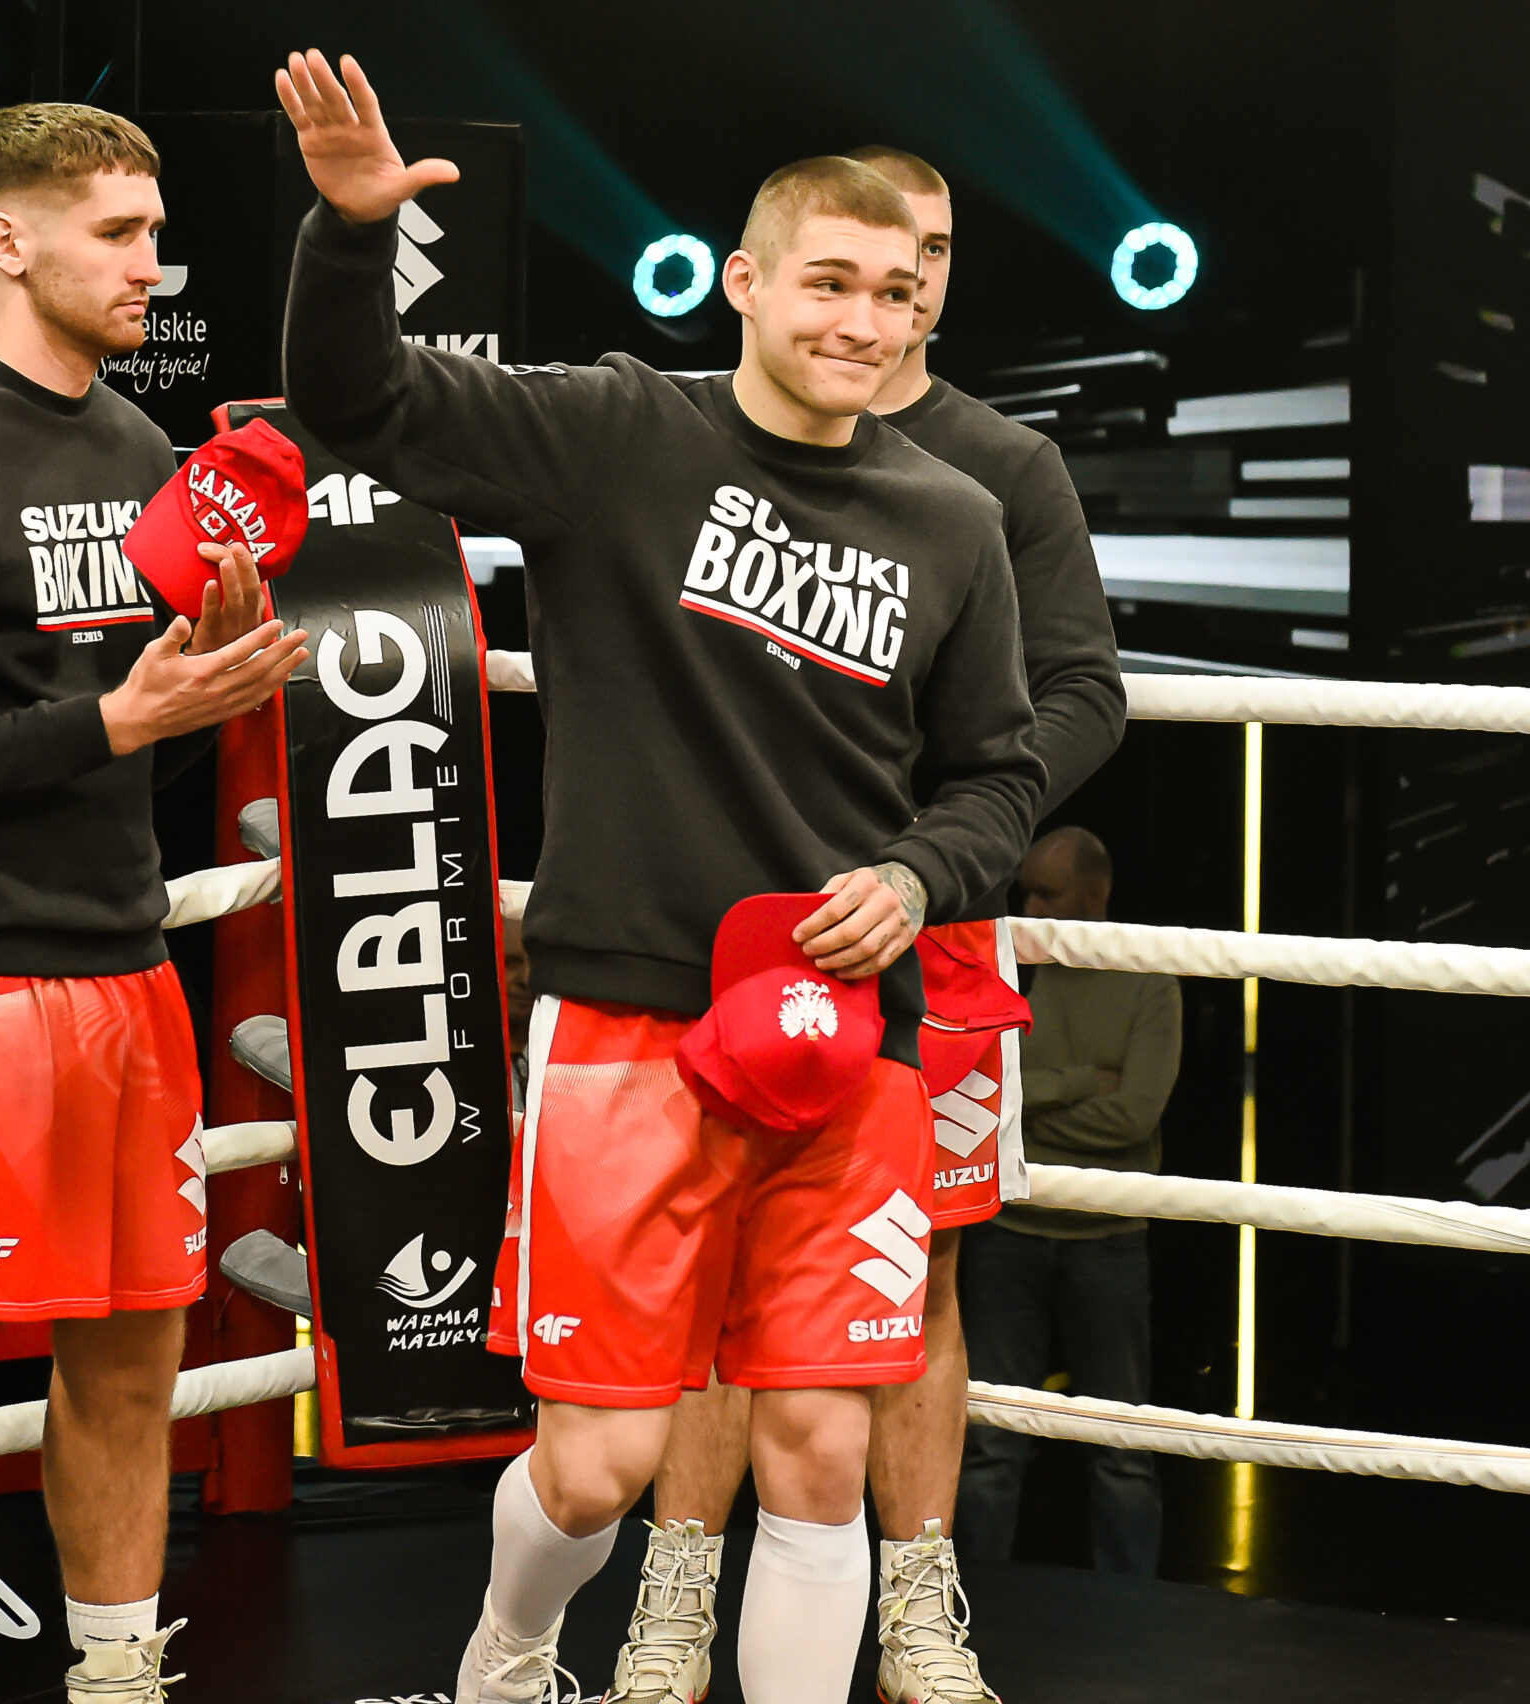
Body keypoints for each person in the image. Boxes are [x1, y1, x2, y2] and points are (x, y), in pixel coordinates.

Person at [277, 51, 1045, 1704]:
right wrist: (349, 235)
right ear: (745, 282)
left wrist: (923, 873)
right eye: (828, 280)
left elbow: (1002, 766)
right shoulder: (620, 431)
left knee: (821, 1448)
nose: (864, 317)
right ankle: (511, 1647)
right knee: (599, 1468)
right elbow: (358, 404)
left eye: (895, 290)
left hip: (850, 1039)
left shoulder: (956, 519)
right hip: (631, 1031)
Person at [0, 104, 307, 1704]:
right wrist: (120, 717)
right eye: (119, 232)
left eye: (156, 231)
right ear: (7, 240)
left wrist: (208, 675)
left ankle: (114, 1679)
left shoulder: (139, 452)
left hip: (124, 968)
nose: (154, 263)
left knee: (138, 1350)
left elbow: (132, 728)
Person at [617, 145, 1123, 1704]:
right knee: (705, 1268)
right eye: (866, 260)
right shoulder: (693, 436)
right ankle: (673, 1603)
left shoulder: (997, 469)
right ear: (781, 273)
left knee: (924, 1274)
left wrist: (936, 847)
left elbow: (1081, 693)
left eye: (932, 256)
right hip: (725, 925)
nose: (906, 285)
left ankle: (918, 1608)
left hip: (930, 931)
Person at [956, 827, 1177, 1571]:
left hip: (1106, 1240)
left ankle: (1132, 1612)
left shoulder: (1148, 976)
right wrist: (1080, 1082)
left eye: (1048, 894)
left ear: (1095, 894)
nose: (1030, 907)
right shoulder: (1009, 963)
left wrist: (1027, 1109)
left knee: (1122, 1450)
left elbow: (1134, 1115)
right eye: (1026, 891)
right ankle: (973, 1608)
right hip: (1009, 1231)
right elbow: (987, 1094)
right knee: (991, 1442)